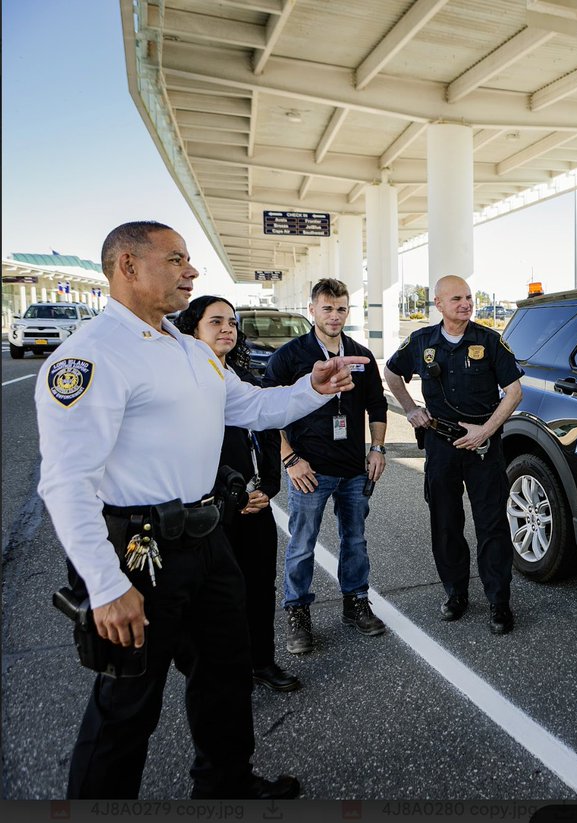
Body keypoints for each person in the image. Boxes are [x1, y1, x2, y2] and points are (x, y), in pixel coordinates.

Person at [35, 221, 368, 799]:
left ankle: (225, 785)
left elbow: (254, 407)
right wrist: (105, 583)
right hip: (138, 550)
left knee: (226, 672)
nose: (191, 270)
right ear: (128, 267)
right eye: (176, 259)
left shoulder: (190, 351)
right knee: (128, 703)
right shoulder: (91, 357)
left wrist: (314, 388)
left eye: (190, 260)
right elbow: (66, 482)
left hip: (205, 539)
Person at [383, 275, 523, 634]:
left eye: (469, 297)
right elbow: (392, 373)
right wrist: (410, 408)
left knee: (491, 525)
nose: (466, 303)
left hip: (483, 446)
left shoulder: (489, 341)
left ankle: (499, 602)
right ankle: (455, 593)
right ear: (439, 304)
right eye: (457, 298)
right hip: (441, 445)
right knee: (445, 524)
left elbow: (513, 392)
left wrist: (486, 431)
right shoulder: (421, 342)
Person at [175, 295, 300, 693]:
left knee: (260, 588)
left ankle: (262, 662)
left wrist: (268, 486)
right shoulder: (186, 384)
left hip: (256, 500)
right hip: (212, 512)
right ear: (193, 330)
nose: (227, 328)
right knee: (215, 601)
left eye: (231, 322)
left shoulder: (244, 373)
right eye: (216, 322)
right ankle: (222, 675)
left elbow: (266, 428)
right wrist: (233, 500)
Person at [263, 277, 389, 654]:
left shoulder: (360, 355)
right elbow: (269, 411)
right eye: (327, 308)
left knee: (356, 541)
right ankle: (298, 613)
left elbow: (377, 406)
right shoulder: (290, 356)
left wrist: (378, 448)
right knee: (302, 545)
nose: (334, 316)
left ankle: (356, 603)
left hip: (353, 468)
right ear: (312, 310)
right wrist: (290, 459)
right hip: (309, 470)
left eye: (341, 309)